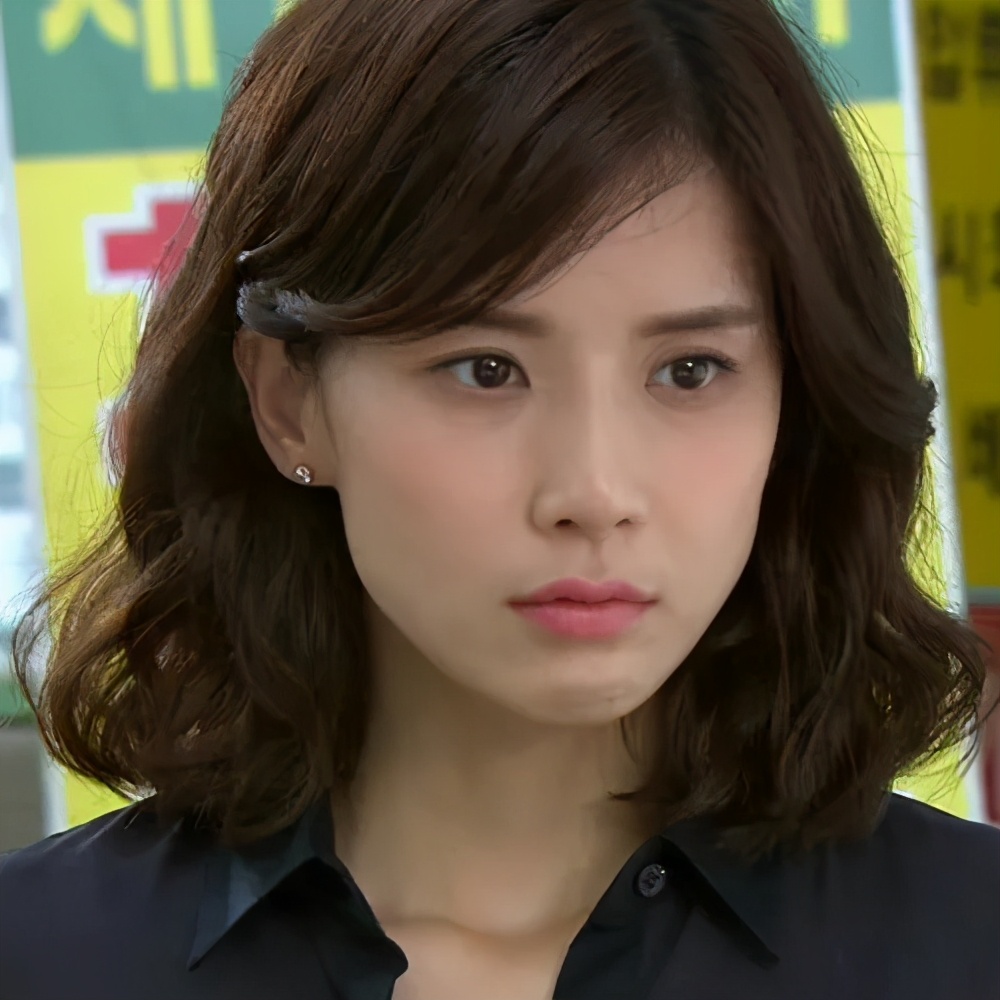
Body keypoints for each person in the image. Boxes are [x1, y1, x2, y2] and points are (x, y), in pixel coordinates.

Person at [1, 1, 997, 997]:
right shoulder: (43, 957)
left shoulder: (971, 943)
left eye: (690, 370)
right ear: (288, 404)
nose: (594, 493)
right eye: (485, 369)